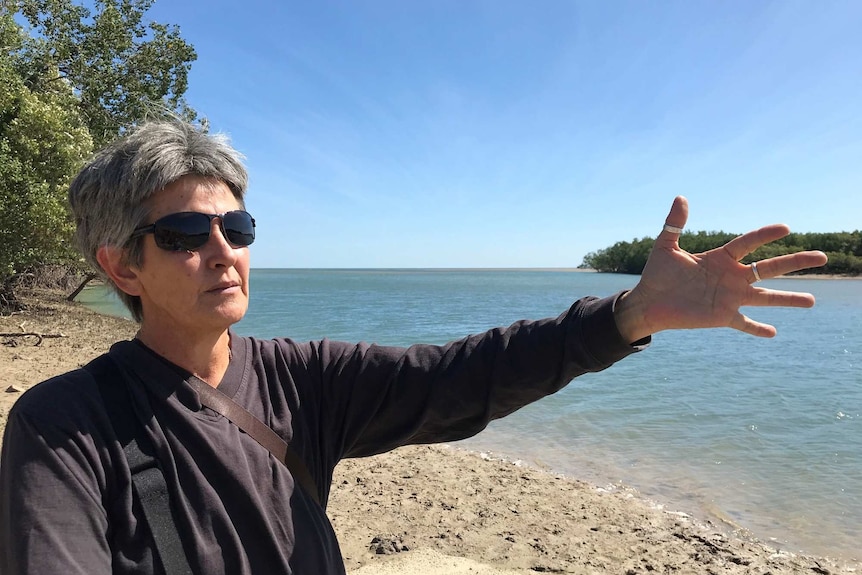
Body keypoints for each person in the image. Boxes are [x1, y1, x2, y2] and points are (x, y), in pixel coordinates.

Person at [0, 120, 827, 575]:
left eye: (237, 226)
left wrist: (626, 316)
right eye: (185, 232)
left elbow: (462, 376)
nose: (224, 250)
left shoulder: (302, 377)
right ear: (119, 265)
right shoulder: (61, 426)